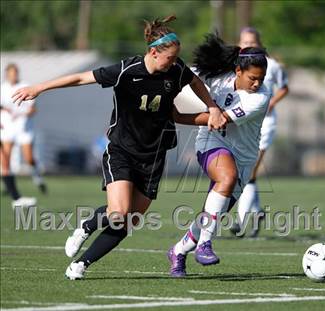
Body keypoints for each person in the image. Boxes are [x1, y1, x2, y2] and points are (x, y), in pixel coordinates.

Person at [12, 15, 226, 280]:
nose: (174, 63)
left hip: (154, 156)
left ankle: (81, 264)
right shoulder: (127, 70)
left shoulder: (176, 69)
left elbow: (194, 82)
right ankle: (87, 225)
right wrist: (40, 88)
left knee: (128, 222)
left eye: (175, 58)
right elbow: (81, 78)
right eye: (169, 58)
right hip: (122, 151)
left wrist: (214, 108)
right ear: (153, 52)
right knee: (119, 213)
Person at [168, 33, 271, 277]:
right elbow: (186, 74)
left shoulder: (260, 98)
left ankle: (178, 251)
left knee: (211, 215)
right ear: (237, 71)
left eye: (261, 79)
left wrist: (177, 117)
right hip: (210, 142)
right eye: (253, 78)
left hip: (244, 158)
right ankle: (204, 245)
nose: (258, 83)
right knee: (227, 178)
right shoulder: (218, 78)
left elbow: (219, 119)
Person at [231, 27, 289, 237]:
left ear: (259, 44)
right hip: (242, 123)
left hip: (265, 123)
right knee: (241, 171)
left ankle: (240, 220)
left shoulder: (272, 66)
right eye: (244, 42)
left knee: (250, 172)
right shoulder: (235, 66)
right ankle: (256, 212)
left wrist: (270, 103)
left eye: (252, 42)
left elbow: (284, 87)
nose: (247, 45)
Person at [1, 63, 45, 209]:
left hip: (24, 128)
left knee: (29, 159)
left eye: (15, 72)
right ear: (7, 74)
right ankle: (14, 196)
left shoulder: (25, 86)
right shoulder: (3, 88)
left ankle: (37, 177)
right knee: (5, 160)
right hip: (7, 128)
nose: (13, 75)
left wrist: (20, 113)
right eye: (11, 73)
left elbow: (33, 110)